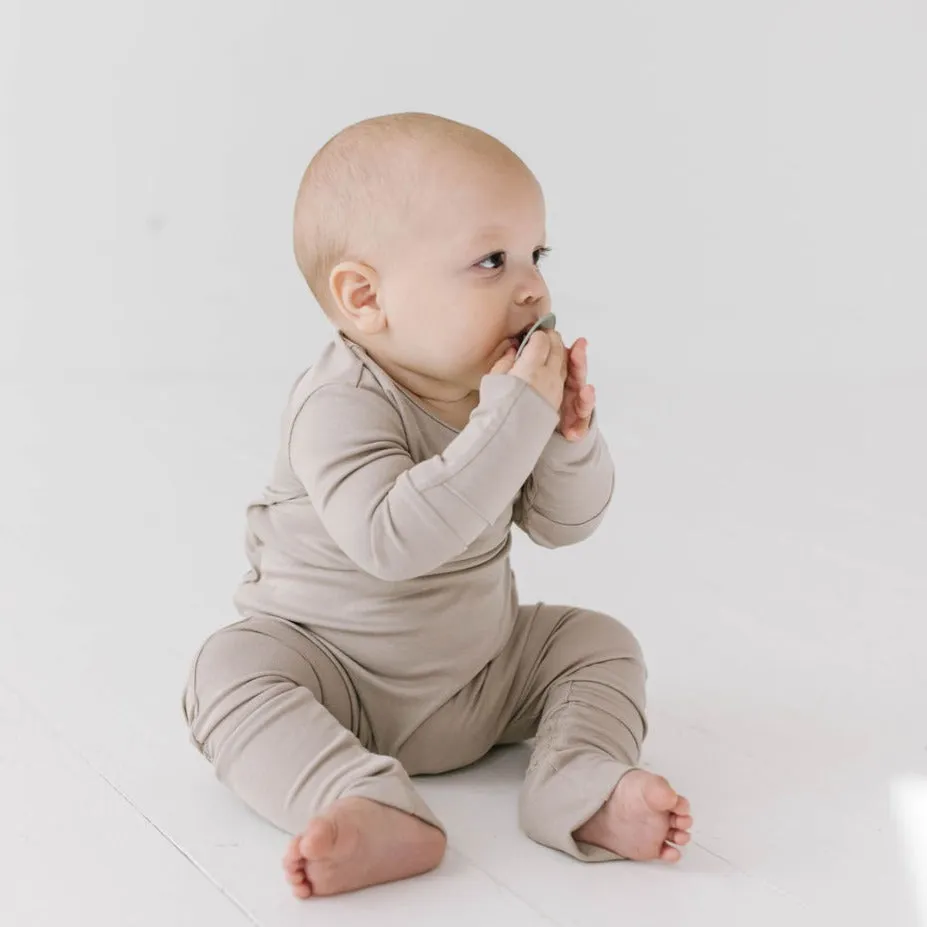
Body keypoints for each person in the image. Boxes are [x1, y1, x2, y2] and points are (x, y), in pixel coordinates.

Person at [182, 112, 693, 899]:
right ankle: (361, 799)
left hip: (480, 673)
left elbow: (565, 525)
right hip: (333, 675)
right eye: (491, 261)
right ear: (365, 297)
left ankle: (579, 781)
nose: (531, 286)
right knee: (226, 670)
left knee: (597, 641)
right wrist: (513, 417)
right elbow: (393, 541)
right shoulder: (339, 403)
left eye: (535, 254)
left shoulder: (494, 395)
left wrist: (564, 438)